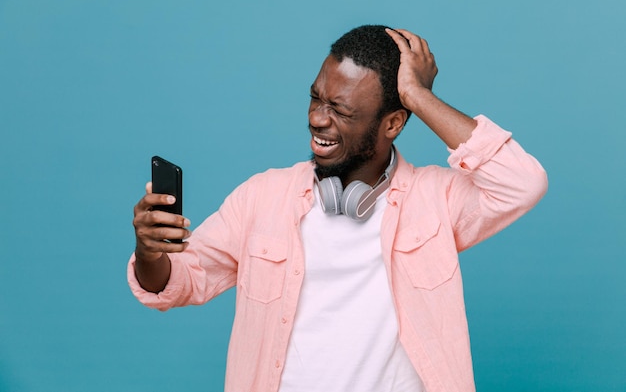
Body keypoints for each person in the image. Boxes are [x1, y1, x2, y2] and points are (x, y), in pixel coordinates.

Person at [128, 25, 548, 392]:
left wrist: (418, 96)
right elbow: (178, 284)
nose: (318, 119)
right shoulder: (262, 197)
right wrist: (151, 252)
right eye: (316, 98)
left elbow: (522, 183)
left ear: (393, 123)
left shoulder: (435, 200)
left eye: (341, 110)